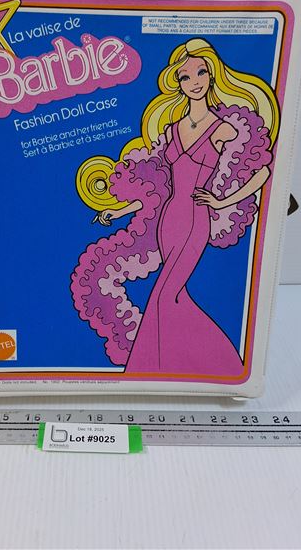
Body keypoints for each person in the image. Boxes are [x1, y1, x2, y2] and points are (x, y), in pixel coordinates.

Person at [72, 38, 279, 375]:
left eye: (201, 73)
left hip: (196, 219)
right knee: (176, 296)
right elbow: (160, 188)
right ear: (178, 83)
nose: (194, 81)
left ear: (212, 76)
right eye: (185, 76)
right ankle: (193, 364)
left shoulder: (225, 129)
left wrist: (222, 201)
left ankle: (178, 367)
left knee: (164, 296)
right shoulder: (172, 130)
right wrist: (119, 211)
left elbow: (264, 172)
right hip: (168, 220)